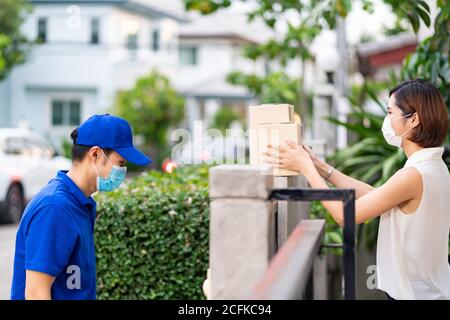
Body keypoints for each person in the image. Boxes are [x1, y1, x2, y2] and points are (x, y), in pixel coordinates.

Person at [264, 79, 450, 300]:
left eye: (390, 113)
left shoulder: (413, 175)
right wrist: (322, 168)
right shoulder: (434, 167)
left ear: (414, 119)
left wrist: (306, 169)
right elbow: (377, 196)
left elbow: (345, 215)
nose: (387, 121)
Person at [11, 114, 151, 300]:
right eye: (121, 163)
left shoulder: (79, 203)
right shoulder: (54, 208)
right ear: (95, 154)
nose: (123, 172)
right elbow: (36, 293)